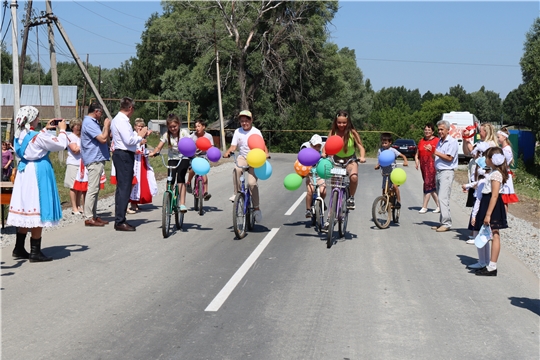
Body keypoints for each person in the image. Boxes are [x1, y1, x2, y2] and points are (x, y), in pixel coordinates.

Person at [7, 106, 69, 262]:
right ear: (32, 119)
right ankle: (35, 252)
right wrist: (62, 130)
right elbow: (60, 144)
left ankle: (19, 248)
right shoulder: (37, 136)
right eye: (37, 117)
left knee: (26, 210)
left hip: (24, 172)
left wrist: (45, 129)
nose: (39, 119)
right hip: (36, 173)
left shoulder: (20, 134)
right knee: (37, 208)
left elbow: (35, 141)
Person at [111, 97, 149, 231]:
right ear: (131, 108)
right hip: (124, 154)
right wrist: (140, 135)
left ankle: (120, 218)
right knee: (124, 188)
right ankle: (120, 220)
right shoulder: (122, 121)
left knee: (123, 188)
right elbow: (128, 140)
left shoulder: (118, 119)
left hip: (122, 154)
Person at [223, 110, 269, 223]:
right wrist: (228, 152)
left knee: (252, 183)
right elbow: (233, 146)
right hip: (243, 157)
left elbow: (263, 146)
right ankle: (237, 193)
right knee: (237, 169)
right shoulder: (238, 132)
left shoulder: (256, 132)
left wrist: (266, 154)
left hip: (255, 159)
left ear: (251, 120)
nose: (244, 123)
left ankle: (257, 208)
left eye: (246, 121)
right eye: (242, 121)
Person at [471, 147, 509, 276]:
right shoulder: (492, 172)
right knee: (489, 233)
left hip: (492, 205)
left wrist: (488, 214)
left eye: (486, 157)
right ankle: (487, 263)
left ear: (492, 160)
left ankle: (492, 266)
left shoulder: (496, 174)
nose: (485, 159)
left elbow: (494, 195)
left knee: (495, 234)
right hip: (487, 203)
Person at [321, 110, 366, 209]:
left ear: (348, 122)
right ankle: (333, 209)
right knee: (335, 184)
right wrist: (324, 153)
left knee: (353, 177)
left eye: (344, 122)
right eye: (339, 122)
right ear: (336, 122)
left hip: (350, 159)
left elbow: (361, 147)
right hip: (336, 159)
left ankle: (351, 197)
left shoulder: (352, 132)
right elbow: (326, 145)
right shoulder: (333, 132)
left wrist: (362, 157)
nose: (342, 124)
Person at [148, 113, 191, 213]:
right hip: (172, 158)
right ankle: (169, 198)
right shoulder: (166, 135)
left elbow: (190, 144)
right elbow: (159, 146)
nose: (173, 129)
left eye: (175, 126)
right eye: (171, 127)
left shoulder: (184, 133)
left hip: (183, 157)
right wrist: (154, 152)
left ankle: (182, 204)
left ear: (179, 124)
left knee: (181, 178)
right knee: (170, 179)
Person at [81, 102, 111, 227]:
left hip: (97, 158)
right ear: (96, 111)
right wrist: (106, 126)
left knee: (96, 189)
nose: (101, 115)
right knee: (92, 189)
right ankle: (88, 217)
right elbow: (103, 139)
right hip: (93, 159)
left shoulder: (92, 123)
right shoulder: (89, 123)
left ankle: (93, 215)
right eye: (101, 112)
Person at [427, 119, 458, 232]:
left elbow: (449, 158)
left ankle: (446, 223)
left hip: (447, 172)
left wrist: (435, 151)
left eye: (442, 129)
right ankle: (442, 222)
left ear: (447, 130)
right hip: (439, 172)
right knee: (441, 198)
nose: (440, 131)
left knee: (443, 197)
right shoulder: (440, 142)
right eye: (439, 129)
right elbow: (438, 157)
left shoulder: (452, 142)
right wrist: (432, 153)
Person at [462, 164, 492, 269]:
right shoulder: (492, 179)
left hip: (481, 210)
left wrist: (473, 215)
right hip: (490, 209)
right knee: (486, 238)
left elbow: (478, 199)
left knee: (480, 237)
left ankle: (482, 261)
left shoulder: (482, 182)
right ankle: (486, 261)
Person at [129, 118, 158, 212]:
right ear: (135, 127)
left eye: (142, 126)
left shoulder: (142, 136)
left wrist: (148, 152)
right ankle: (132, 202)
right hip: (135, 161)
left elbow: (142, 149)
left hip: (141, 161)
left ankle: (137, 201)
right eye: (139, 126)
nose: (140, 128)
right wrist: (141, 143)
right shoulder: (133, 135)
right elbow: (133, 147)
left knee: (142, 181)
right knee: (135, 181)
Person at [374, 132, 408, 208]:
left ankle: (398, 201)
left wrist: (405, 160)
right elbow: (380, 160)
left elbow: (402, 155)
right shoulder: (380, 150)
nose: (384, 145)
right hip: (385, 173)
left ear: (390, 143)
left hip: (393, 173)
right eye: (382, 143)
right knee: (384, 189)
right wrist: (377, 165)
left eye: (385, 143)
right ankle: (384, 201)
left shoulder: (392, 150)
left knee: (395, 187)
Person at [414, 124, 440, 213]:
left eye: (429, 130)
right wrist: (416, 160)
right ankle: (439, 206)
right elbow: (417, 153)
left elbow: (439, 153)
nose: (427, 131)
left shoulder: (437, 140)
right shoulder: (421, 141)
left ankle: (424, 206)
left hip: (432, 166)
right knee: (431, 187)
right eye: (425, 130)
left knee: (427, 184)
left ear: (433, 131)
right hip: (423, 167)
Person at [63, 118, 87, 215]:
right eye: (76, 126)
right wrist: (85, 146)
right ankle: (74, 208)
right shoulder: (71, 137)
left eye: (79, 125)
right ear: (72, 127)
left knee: (79, 186)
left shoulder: (81, 137)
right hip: (73, 163)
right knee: (73, 186)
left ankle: (78, 205)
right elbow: (75, 149)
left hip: (81, 164)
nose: (78, 127)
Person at [187, 119, 214, 201]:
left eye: (199, 126)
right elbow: (188, 147)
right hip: (193, 156)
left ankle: (205, 192)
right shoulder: (192, 136)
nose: (197, 128)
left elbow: (211, 147)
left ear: (203, 127)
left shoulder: (208, 136)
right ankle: (188, 182)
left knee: (203, 171)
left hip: (204, 156)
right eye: (195, 126)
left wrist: (211, 153)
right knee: (192, 169)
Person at [304, 134, 327, 218]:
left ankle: (322, 201)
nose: (317, 148)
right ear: (311, 145)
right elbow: (303, 164)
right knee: (310, 191)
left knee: (323, 191)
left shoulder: (322, 154)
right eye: (315, 146)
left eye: (318, 146)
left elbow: (327, 164)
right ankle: (308, 209)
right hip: (310, 176)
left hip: (320, 176)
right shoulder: (307, 154)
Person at [497, 127, 519, 210]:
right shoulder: (503, 149)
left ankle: (504, 219)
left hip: (504, 174)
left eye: (499, 137)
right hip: (502, 173)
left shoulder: (507, 150)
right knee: (501, 197)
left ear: (504, 137)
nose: (498, 139)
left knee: (504, 198)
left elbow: (504, 163)